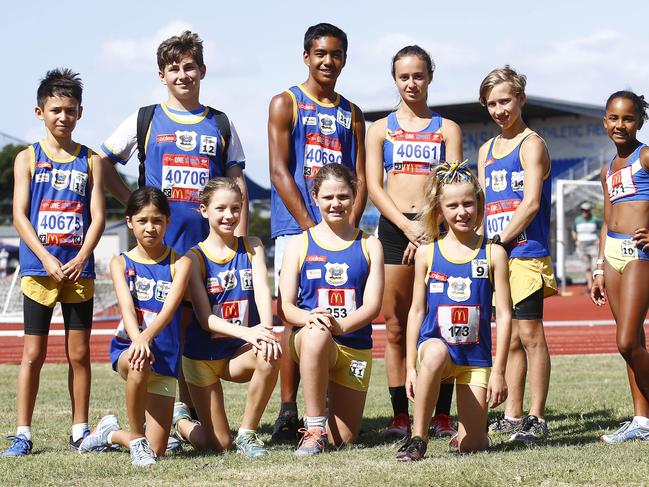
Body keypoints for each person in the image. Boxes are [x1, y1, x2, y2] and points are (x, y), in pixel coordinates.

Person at [98, 30, 248, 418]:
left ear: (202, 70)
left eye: (190, 66)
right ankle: (167, 413)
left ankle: (189, 412)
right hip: (157, 249)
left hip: (204, 248)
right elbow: (101, 163)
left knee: (195, 331)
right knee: (163, 331)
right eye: (173, 68)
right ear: (161, 74)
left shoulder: (220, 122)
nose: (183, 74)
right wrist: (134, 205)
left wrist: (241, 236)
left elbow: (236, 184)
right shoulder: (145, 117)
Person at [268, 22, 367, 441]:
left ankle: (327, 403)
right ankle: (290, 408)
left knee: (339, 307)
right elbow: (278, 170)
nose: (329, 61)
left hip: (342, 230)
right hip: (298, 227)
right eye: (321, 53)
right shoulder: (285, 102)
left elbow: (359, 179)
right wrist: (312, 230)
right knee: (294, 315)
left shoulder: (352, 112)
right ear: (306, 56)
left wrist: (348, 226)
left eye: (337, 54)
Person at [3, 69, 105, 457]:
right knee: (33, 354)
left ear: (80, 113)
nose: (64, 117)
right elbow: (19, 215)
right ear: (39, 111)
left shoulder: (91, 160)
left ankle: (80, 430)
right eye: (56, 110)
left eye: (71, 110)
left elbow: (97, 215)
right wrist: (45, 257)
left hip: (79, 271)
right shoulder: (26, 158)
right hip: (39, 272)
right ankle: (23, 433)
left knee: (79, 354)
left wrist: (80, 256)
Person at [366, 45, 463, 437]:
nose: (411, 83)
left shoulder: (448, 128)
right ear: (395, 79)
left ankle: (441, 414)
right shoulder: (380, 128)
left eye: (418, 75)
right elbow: (374, 185)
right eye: (404, 76)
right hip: (394, 230)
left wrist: (429, 227)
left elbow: (454, 185)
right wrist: (408, 229)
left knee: (438, 322)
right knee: (394, 326)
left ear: (430, 77)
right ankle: (399, 415)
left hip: (437, 229)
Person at [396, 161, 511, 461]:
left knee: (473, 446)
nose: (462, 212)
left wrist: (499, 371)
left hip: (475, 359)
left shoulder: (494, 253)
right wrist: (410, 367)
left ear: (479, 204)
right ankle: (418, 437)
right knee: (433, 352)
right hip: (438, 353)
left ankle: (469, 431)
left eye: (468, 203)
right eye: (453, 205)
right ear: (439, 211)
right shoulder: (426, 253)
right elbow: (416, 311)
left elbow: (506, 315)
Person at [78, 187, 192, 466]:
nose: (150, 227)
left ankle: (111, 433)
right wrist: (139, 341)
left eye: (157, 220)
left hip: (164, 358)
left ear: (167, 221)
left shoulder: (182, 262)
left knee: (159, 451)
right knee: (140, 362)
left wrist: (148, 337)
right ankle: (137, 440)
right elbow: (127, 308)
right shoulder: (121, 262)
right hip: (130, 351)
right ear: (130, 222)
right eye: (142, 220)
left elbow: (169, 309)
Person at [477, 66, 557, 444]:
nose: (499, 109)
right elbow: (480, 208)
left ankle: (536, 418)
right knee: (507, 338)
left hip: (525, 251)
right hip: (497, 254)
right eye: (492, 103)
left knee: (530, 334)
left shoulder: (532, 144)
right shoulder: (486, 150)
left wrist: (499, 241)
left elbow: (530, 204)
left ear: (521, 99)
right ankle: (512, 416)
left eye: (505, 100)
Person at [279, 163, 383, 456]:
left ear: (354, 196)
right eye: (328, 197)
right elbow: (286, 307)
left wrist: (341, 326)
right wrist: (310, 318)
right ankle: (313, 428)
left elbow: (373, 305)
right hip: (313, 340)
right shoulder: (299, 244)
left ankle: (325, 409)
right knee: (316, 333)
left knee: (343, 439)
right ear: (315, 197)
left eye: (343, 196)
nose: (336, 204)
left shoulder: (370, 244)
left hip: (353, 345)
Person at [172, 178, 280, 458]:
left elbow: (263, 294)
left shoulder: (253, 246)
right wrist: (249, 333)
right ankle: (180, 420)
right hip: (201, 360)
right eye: (220, 208)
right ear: (204, 210)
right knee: (217, 445)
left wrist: (265, 332)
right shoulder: (193, 258)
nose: (229, 215)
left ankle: (247, 434)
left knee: (270, 351)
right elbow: (205, 319)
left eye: (235, 208)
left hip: (235, 355)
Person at [592, 91, 649, 443]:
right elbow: (608, 218)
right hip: (612, 253)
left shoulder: (646, 156)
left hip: (641, 254)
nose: (620, 124)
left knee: (627, 341)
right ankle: (642, 422)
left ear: (640, 122)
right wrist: (599, 267)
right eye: (613, 118)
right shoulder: (605, 170)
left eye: (627, 118)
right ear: (604, 122)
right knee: (634, 343)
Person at [572, 202, 602, 289]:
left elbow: (603, 229)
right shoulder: (577, 220)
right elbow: (573, 230)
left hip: (593, 246)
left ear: (589, 210)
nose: (584, 212)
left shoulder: (595, 219)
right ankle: (590, 286)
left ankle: (595, 284)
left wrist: (599, 239)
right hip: (582, 247)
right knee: (587, 268)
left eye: (586, 210)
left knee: (594, 267)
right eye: (583, 210)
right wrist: (576, 239)